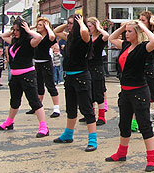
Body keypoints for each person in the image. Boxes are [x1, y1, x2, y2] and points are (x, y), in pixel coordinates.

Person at [105, 20, 154, 172]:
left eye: (129, 32)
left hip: (139, 92)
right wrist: (123, 26)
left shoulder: (143, 47)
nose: (126, 34)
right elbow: (111, 38)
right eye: (126, 32)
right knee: (124, 124)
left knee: (144, 125)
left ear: (138, 33)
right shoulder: (126, 46)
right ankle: (121, 153)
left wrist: (142, 27)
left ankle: (151, 159)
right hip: (125, 91)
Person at [0, 19, 50, 138]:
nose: (15, 32)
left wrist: (28, 30)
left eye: (17, 30)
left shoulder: (29, 42)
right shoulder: (14, 42)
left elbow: (39, 37)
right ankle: (9, 122)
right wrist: (12, 30)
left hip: (27, 75)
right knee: (14, 101)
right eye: (14, 30)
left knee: (34, 101)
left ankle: (44, 127)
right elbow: (3, 36)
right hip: (15, 76)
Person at [53, 15, 98, 152]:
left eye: (71, 23)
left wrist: (80, 22)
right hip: (70, 78)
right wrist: (66, 24)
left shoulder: (84, 38)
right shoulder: (70, 37)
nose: (69, 25)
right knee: (71, 108)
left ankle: (92, 139)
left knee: (86, 109)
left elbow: (85, 32)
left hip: (81, 77)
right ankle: (68, 134)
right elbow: (56, 32)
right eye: (69, 23)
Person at [24, 17, 60, 118]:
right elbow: (26, 32)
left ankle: (56, 108)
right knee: (39, 86)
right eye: (38, 25)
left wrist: (48, 27)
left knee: (50, 85)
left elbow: (52, 36)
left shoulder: (48, 36)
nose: (38, 26)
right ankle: (37, 106)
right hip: (37, 63)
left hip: (46, 63)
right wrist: (35, 26)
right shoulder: (37, 36)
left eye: (40, 25)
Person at [86, 17, 110, 126]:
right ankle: (91, 114)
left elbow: (107, 36)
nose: (88, 28)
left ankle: (101, 117)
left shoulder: (100, 38)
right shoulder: (87, 37)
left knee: (98, 91)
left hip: (97, 67)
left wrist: (98, 27)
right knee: (89, 92)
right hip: (87, 66)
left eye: (90, 26)